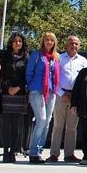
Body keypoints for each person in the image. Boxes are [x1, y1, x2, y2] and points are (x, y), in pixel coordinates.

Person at [47, 35, 87, 163]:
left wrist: (77, 96)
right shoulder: (58, 58)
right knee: (58, 125)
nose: (73, 46)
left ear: (79, 46)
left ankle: (69, 154)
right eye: (71, 43)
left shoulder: (83, 61)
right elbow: (53, 77)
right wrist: (61, 93)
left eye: (76, 43)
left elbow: (85, 81)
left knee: (72, 127)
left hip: (76, 98)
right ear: (66, 45)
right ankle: (54, 153)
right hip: (60, 95)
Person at [25, 32, 61, 164]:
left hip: (51, 92)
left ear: (54, 42)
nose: (49, 42)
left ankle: (39, 152)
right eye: (46, 40)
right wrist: (31, 86)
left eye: (51, 40)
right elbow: (29, 72)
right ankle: (33, 152)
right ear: (43, 41)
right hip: (37, 91)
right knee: (42, 120)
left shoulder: (56, 57)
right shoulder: (36, 55)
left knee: (47, 123)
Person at [0, 32, 29, 163]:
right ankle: (5, 151)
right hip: (6, 93)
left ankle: (13, 152)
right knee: (5, 125)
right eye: (15, 41)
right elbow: (0, 74)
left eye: (20, 41)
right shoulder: (4, 56)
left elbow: (27, 76)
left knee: (16, 125)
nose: (17, 43)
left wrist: (18, 88)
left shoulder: (26, 57)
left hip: (19, 93)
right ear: (11, 42)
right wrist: (8, 88)